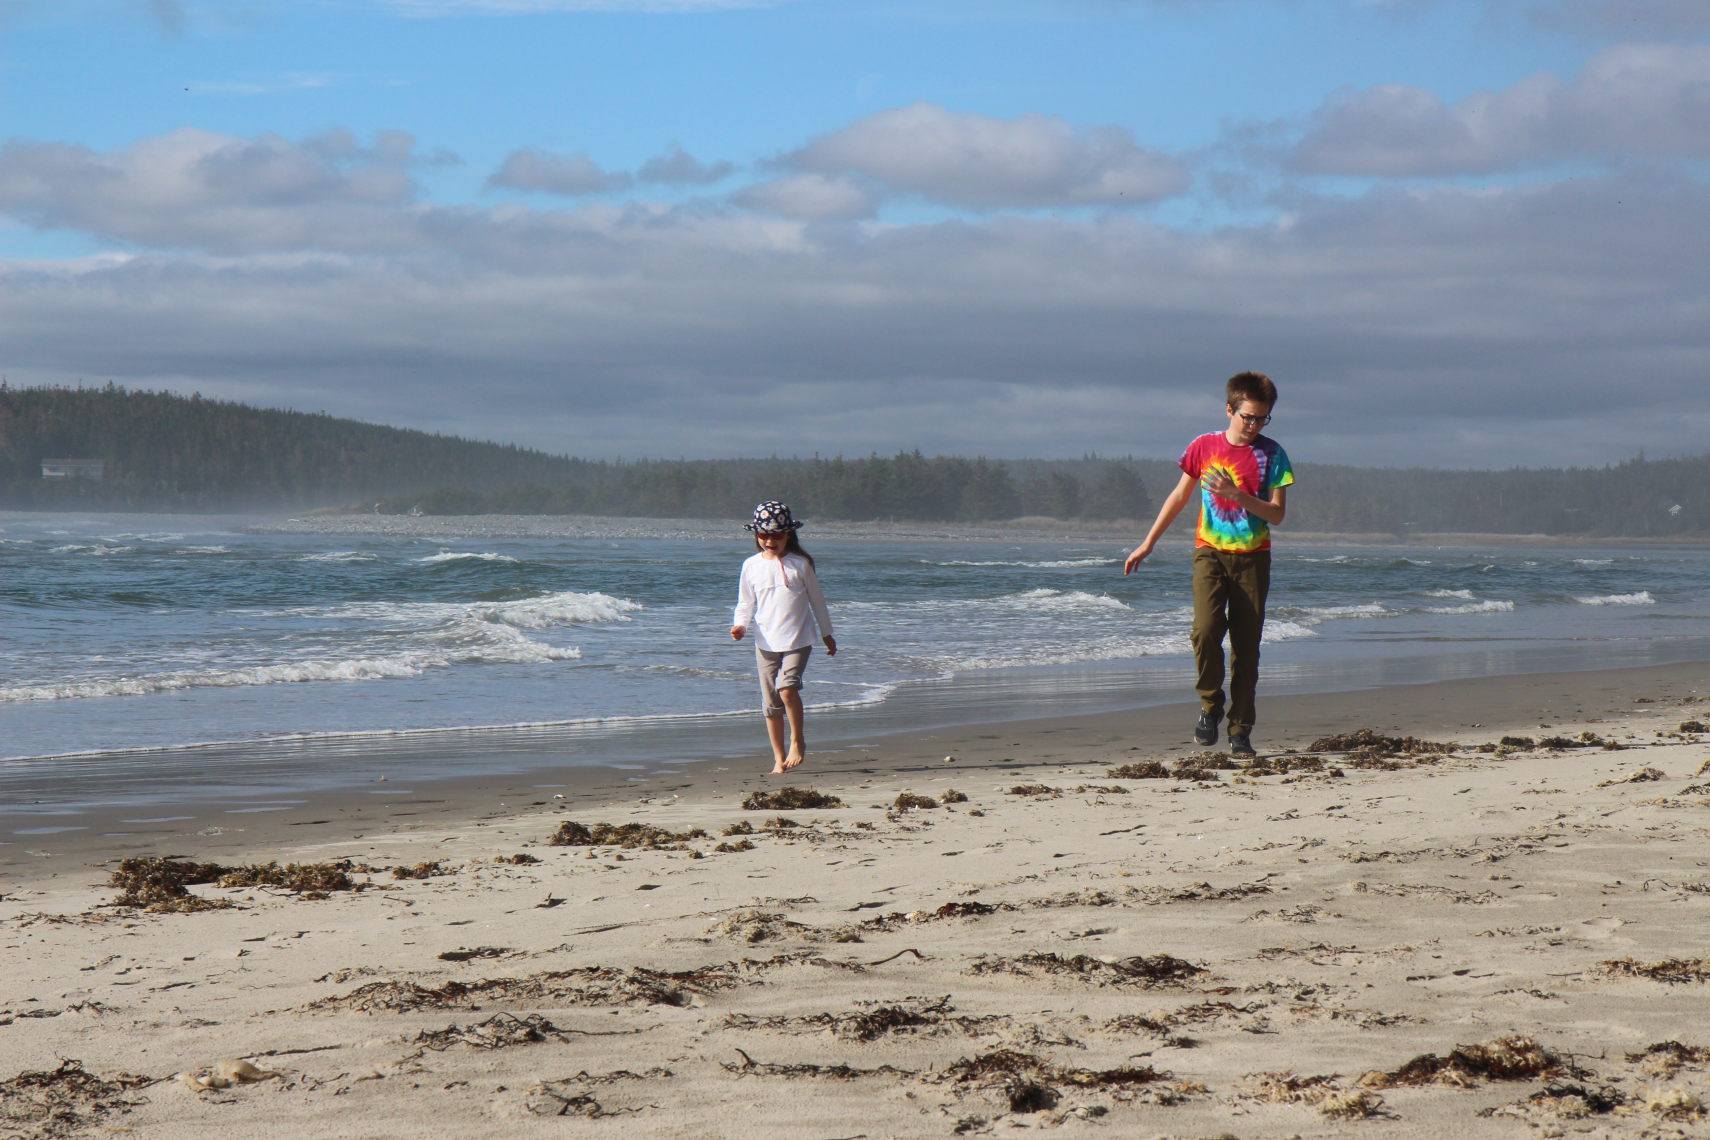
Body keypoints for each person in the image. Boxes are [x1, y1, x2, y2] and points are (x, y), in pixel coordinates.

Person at [1123, 371, 1295, 758]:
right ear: (1229, 409)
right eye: (1247, 417)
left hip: (1253, 559)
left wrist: (1236, 493)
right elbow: (1179, 497)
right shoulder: (1204, 447)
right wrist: (1147, 543)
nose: (1253, 426)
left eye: (1262, 418)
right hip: (1210, 553)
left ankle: (1240, 730)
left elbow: (1278, 515)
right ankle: (1210, 705)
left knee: (1246, 648)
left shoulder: (1274, 454)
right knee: (1204, 632)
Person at [730, 500, 837, 774]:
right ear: (756, 536)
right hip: (765, 642)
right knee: (771, 703)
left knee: (787, 689)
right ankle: (778, 758)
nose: (769, 540)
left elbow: (817, 601)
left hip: (799, 639)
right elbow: (745, 603)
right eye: (764, 535)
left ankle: (797, 740)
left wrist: (827, 633)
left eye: (776, 535)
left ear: (789, 534)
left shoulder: (800, 564)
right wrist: (739, 625)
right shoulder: (751, 566)